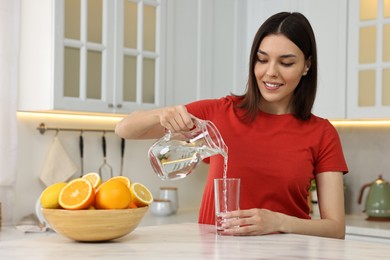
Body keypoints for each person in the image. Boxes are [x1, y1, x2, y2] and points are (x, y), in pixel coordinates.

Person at [115, 12, 348, 239]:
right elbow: (124, 129)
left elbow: (335, 228)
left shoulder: (322, 133)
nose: (270, 72)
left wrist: (278, 221)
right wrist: (162, 114)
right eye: (262, 59)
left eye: (286, 63)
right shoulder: (219, 113)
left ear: (307, 66)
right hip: (216, 252)